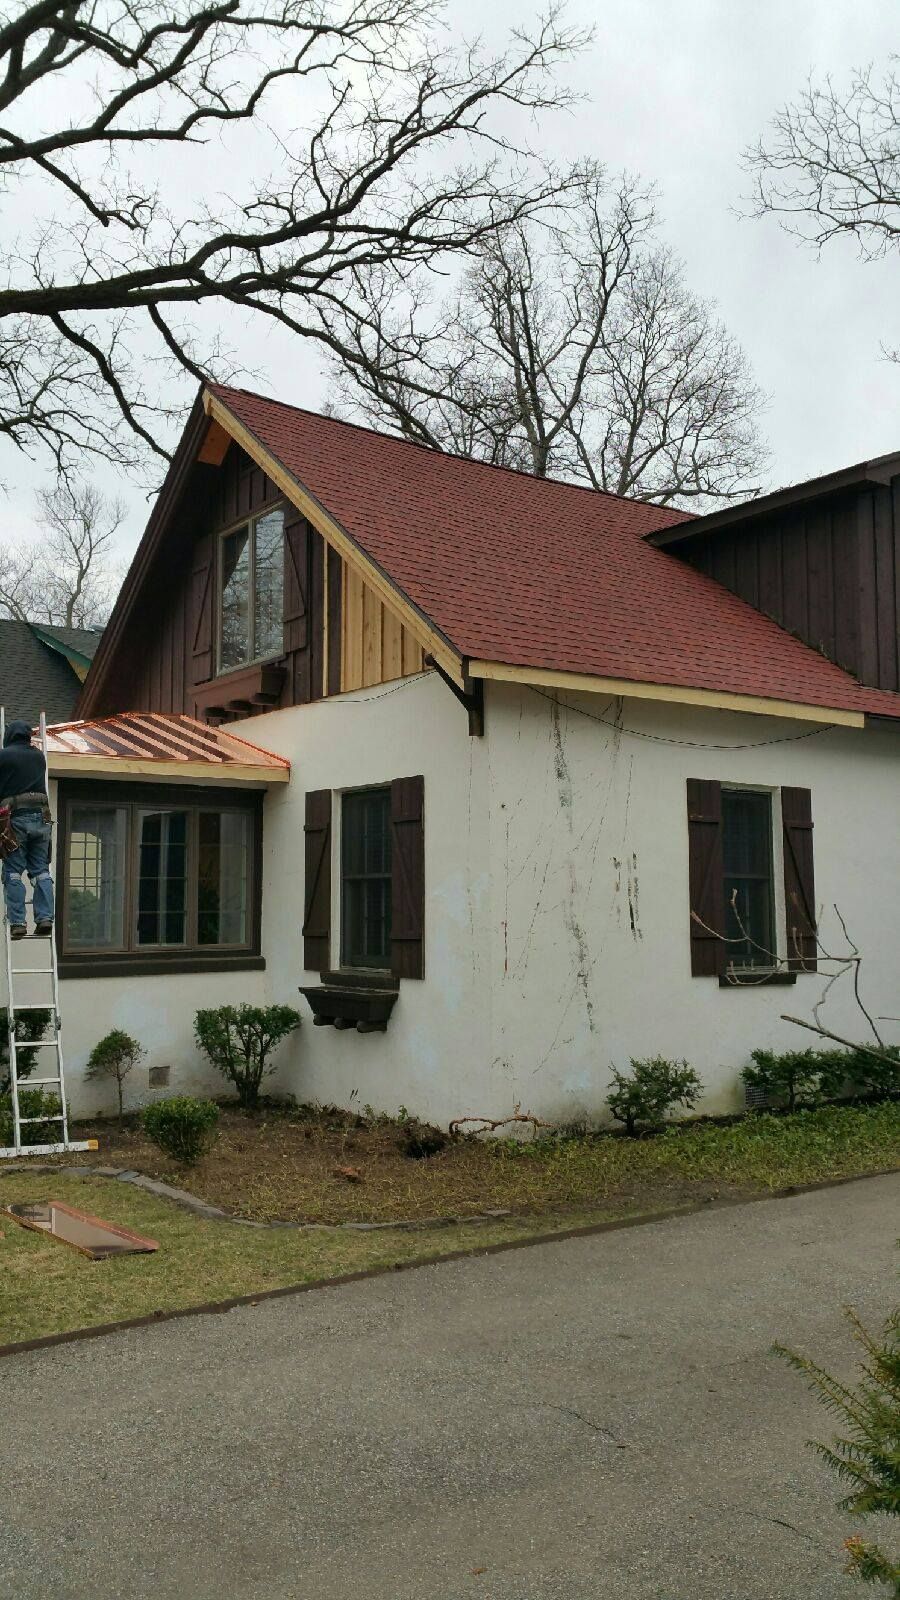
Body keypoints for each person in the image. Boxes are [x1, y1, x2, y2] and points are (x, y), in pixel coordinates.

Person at [0, 720, 54, 940]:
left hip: (17, 818)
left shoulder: (4, 756)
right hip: (42, 817)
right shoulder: (39, 756)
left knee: (13, 871)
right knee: (40, 870)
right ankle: (44, 918)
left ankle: (18, 923)